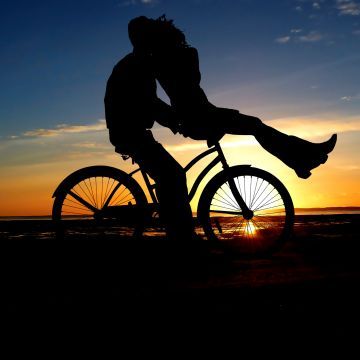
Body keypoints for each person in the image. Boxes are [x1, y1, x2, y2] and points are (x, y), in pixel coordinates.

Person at [143, 15, 337, 179]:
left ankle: (302, 158)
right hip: (200, 118)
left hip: (199, 117)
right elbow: (191, 79)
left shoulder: (159, 63)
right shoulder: (173, 59)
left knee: (255, 125)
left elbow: (189, 81)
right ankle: (303, 158)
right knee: (255, 125)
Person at [104, 16, 196, 242]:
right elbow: (149, 102)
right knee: (173, 175)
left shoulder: (136, 62)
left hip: (131, 131)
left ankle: (175, 227)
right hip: (130, 133)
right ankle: (181, 236)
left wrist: (174, 120)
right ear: (141, 37)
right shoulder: (137, 65)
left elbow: (150, 103)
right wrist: (175, 121)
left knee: (169, 175)